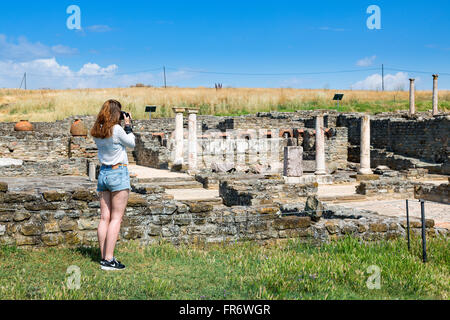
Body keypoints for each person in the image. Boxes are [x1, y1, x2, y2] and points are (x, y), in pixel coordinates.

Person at [90, 99, 135, 271]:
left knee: (104, 218)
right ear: (117, 113)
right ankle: (109, 260)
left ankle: (104, 256)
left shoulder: (97, 130)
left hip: (104, 173)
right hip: (118, 173)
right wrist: (129, 125)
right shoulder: (116, 129)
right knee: (116, 218)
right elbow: (132, 144)